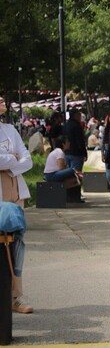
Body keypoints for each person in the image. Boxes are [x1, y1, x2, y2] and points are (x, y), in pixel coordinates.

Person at [0, 95, 34, 313]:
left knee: (17, 241)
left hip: (15, 188)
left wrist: (9, 161)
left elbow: (28, 160)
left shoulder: (10, 129)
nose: (2, 99)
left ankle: (15, 296)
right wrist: (12, 157)